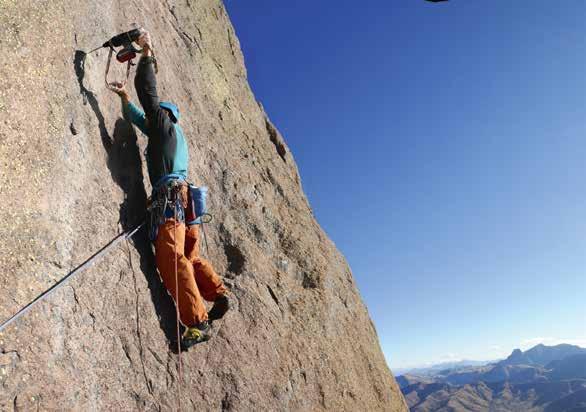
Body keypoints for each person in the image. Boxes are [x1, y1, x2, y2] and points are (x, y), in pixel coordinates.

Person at [108, 30, 229, 348]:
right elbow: (139, 117)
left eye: (157, 113)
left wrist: (147, 51)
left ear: (165, 115)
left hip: (170, 200)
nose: (153, 116)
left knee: (170, 258)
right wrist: (123, 100)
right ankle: (217, 294)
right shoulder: (170, 135)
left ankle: (197, 322)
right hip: (186, 201)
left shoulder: (163, 124)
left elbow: (148, 95)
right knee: (190, 255)